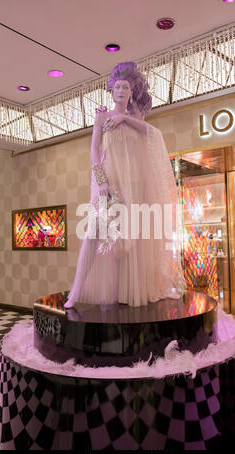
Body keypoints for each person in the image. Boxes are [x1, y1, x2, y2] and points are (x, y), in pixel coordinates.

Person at [64, 62, 186, 308]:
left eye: (126, 87)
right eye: (117, 86)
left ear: (132, 92)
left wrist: (124, 119)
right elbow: (94, 150)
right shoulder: (102, 117)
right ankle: (75, 293)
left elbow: (150, 133)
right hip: (110, 182)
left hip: (135, 186)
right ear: (111, 90)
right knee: (94, 233)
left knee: (133, 240)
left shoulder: (136, 117)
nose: (121, 90)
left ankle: (128, 292)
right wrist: (101, 182)